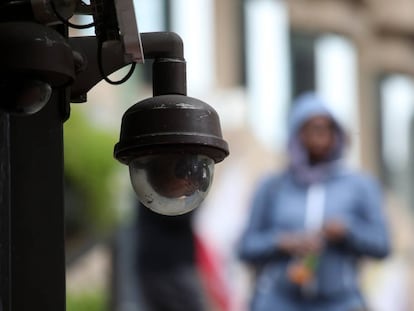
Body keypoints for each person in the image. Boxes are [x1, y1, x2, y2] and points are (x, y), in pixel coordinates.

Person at [237, 92, 391, 311]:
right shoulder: (272, 186)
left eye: (327, 129)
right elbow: (245, 247)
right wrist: (282, 242)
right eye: (312, 129)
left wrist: (347, 231)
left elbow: (382, 245)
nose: (321, 137)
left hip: (340, 303)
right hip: (279, 302)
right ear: (296, 134)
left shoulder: (359, 186)